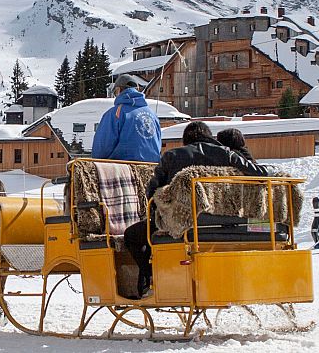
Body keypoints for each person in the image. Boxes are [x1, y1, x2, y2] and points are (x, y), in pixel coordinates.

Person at [124, 121, 270, 298]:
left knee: (132, 235)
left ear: (186, 140)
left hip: (181, 224)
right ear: (209, 137)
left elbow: (153, 192)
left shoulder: (172, 156)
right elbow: (260, 174)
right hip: (225, 222)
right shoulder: (226, 154)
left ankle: (149, 277)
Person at [92, 74, 161, 163]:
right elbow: (157, 144)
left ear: (118, 90)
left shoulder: (116, 113)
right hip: (151, 169)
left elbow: (102, 147)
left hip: (123, 169)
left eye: (115, 93)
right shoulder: (152, 114)